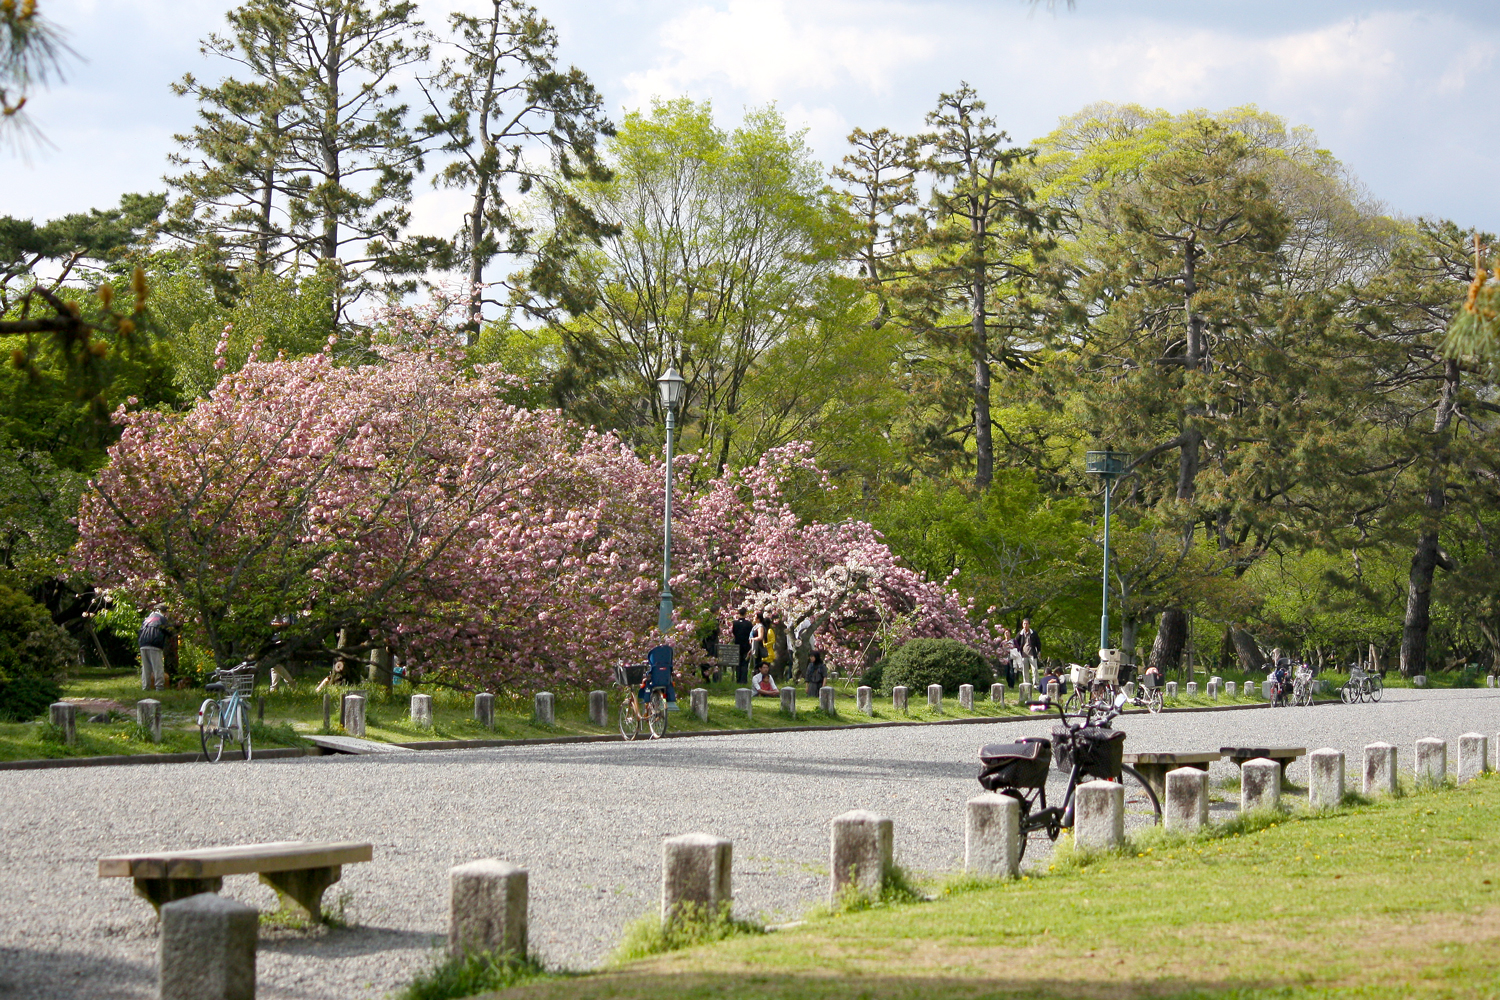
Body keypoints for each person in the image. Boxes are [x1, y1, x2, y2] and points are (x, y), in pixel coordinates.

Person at [137, 606, 171, 691]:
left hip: (143, 643)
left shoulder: (147, 619)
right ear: (165, 612)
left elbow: (140, 631)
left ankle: (145, 687)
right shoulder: (162, 619)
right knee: (158, 667)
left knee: (146, 668)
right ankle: (159, 687)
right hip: (154, 644)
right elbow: (169, 631)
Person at [731, 608, 754, 684]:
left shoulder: (735, 623)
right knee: (745, 663)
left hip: (737, 644)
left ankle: (738, 679)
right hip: (746, 645)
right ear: (745, 613)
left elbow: (734, 632)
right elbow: (751, 633)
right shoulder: (748, 623)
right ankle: (743, 680)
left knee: (738, 663)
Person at [1015, 619, 1041, 687]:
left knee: (1035, 669)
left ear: (1029, 624)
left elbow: (1038, 643)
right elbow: (1015, 642)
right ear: (1022, 625)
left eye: (1027, 624)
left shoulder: (1033, 633)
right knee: (1025, 670)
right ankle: (1026, 684)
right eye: (1024, 624)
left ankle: (1036, 683)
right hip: (1023, 654)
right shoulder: (1020, 634)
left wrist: (1039, 651)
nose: (1025, 625)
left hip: (1032, 654)